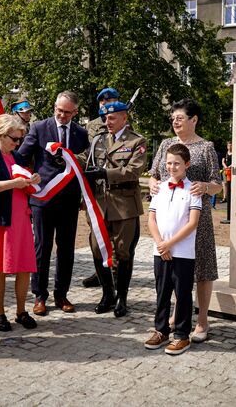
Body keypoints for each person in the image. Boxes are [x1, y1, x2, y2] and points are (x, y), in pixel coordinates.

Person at [149, 98, 221, 343]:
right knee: (175, 270)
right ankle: (178, 315)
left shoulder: (206, 147)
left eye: (180, 118)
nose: (175, 122)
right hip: (170, 216)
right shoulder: (166, 144)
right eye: (173, 118)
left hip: (196, 220)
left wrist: (205, 186)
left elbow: (218, 186)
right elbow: (153, 175)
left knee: (201, 269)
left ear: (194, 120)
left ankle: (202, 319)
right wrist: (153, 184)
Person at [18, 90, 90, 315]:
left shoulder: (80, 133)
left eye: (67, 113)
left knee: (66, 249)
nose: (62, 115)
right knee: (42, 247)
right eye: (59, 110)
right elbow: (21, 156)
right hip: (43, 198)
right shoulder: (39, 128)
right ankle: (39, 295)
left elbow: (85, 165)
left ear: (75, 112)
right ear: (54, 107)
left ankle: (62, 294)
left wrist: (85, 197)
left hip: (69, 200)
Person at [82, 100, 147, 317]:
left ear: (124, 118)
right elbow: (86, 158)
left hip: (125, 205)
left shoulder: (137, 141)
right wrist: (65, 157)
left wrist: (104, 174)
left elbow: (133, 170)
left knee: (123, 251)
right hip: (101, 205)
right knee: (97, 248)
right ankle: (107, 294)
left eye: (112, 118)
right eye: (105, 118)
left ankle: (122, 297)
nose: (107, 122)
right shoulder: (98, 140)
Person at [0, 114, 41, 332]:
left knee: (24, 267)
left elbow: (22, 181)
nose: (17, 143)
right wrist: (13, 183)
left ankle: (21, 311)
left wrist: (32, 180)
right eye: (13, 139)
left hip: (21, 218)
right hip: (1, 220)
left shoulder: (16, 156)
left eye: (19, 139)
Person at [145, 144, 201, 355]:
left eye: (177, 163)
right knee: (162, 292)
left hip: (183, 252)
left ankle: (182, 335)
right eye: (168, 163)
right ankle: (161, 331)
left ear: (186, 164)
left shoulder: (192, 189)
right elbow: (151, 219)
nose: (172, 167)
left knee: (183, 293)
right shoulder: (159, 188)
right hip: (160, 251)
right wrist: (161, 244)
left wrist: (170, 244)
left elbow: (192, 223)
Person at [81, 86, 120, 289]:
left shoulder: (123, 122)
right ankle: (100, 272)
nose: (106, 104)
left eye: (110, 100)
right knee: (95, 230)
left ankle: (114, 273)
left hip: (115, 189)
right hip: (94, 190)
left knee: (114, 233)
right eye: (103, 102)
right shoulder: (91, 127)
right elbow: (85, 155)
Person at [221, 141, 232, 224]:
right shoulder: (226, 153)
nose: (229, 147)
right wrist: (225, 167)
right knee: (224, 184)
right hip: (226, 171)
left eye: (231, 145)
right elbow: (223, 161)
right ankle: (225, 197)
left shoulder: (234, 153)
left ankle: (229, 197)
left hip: (231, 171)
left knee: (230, 186)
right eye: (228, 145)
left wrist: (230, 167)